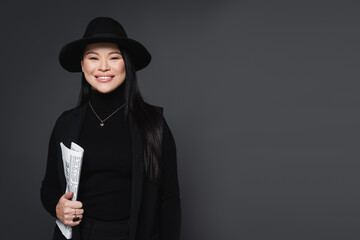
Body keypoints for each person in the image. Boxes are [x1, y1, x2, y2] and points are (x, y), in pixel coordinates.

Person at [40, 17, 181, 240]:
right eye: (93, 57)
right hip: (81, 234)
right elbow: (48, 186)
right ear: (82, 65)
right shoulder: (66, 123)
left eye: (114, 57)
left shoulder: (154, 124)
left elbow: (169, 198)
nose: (103, 66)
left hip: (135, 234)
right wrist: (56, 207)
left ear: (127, 63)